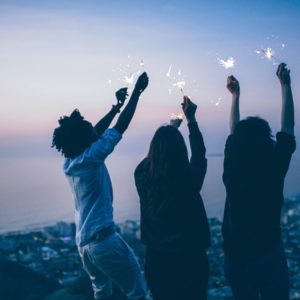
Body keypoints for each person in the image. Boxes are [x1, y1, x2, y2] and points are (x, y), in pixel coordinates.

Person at [52, 72, 149, 300]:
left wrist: (115, 107)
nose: (93, 131)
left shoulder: (70, 161)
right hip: (104, 242)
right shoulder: (92, 157)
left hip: (84, 246)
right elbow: (120, 127)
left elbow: (94, 132)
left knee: (102, 293)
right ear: (85, 139)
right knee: (139, 293)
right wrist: (137, 92)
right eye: (88, 130)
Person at [222, 63, 296, 300]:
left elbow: (234, 133)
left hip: (237, 259)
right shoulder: (273, 169)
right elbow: (288, 128)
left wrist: (235, 96)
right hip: (269, 255)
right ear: (268, 142)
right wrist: (286, 85)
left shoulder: (233, 170)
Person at [134, 96, 210, 300]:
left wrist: (172, 128)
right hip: (191, 262)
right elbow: (199, 156)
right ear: (181, 150)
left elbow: (152, 159)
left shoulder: (141, 177)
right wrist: (191, 120)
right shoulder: (189, 182)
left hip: (157, 263)